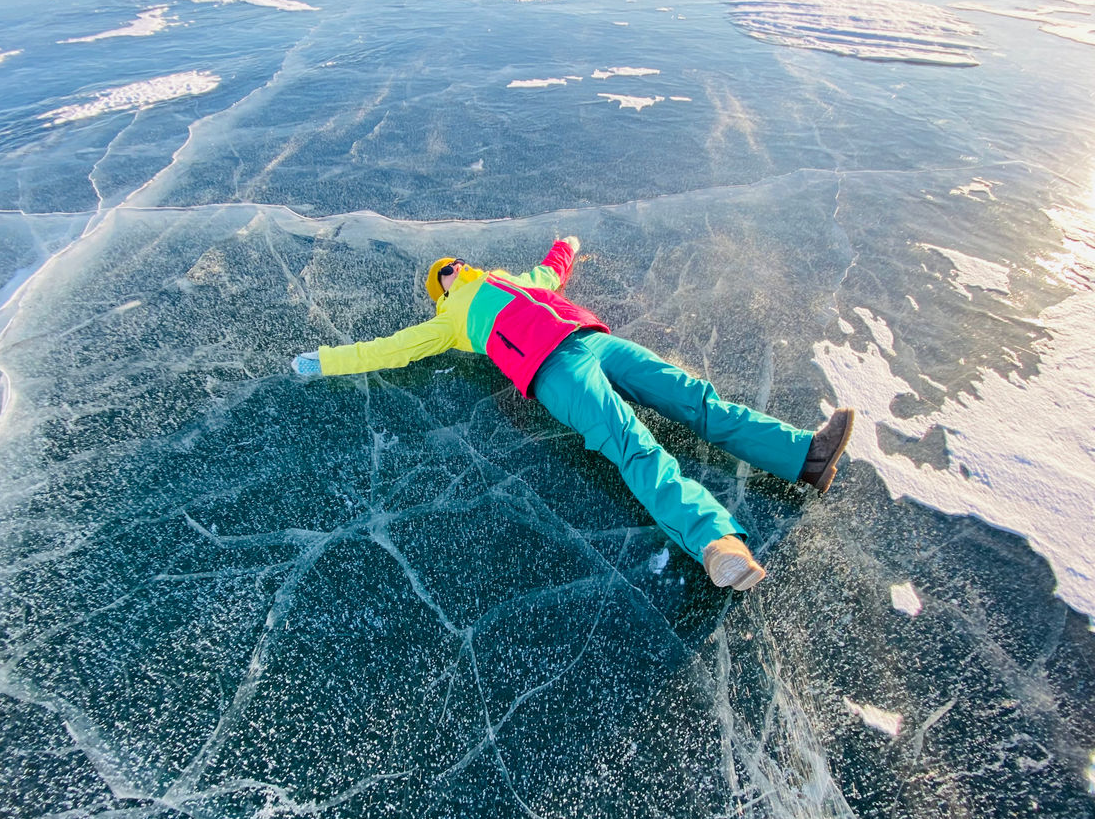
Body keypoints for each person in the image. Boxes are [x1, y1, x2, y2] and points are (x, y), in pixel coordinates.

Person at [292, 237, 854, 591]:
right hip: (553, 372)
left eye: (455, 261)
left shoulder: (512, 281)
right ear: (438, 289)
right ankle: (716, 544)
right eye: (444, 270)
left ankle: (804, 455)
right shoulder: (449, 320)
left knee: (691, 396)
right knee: (632, 444)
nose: (453, 265)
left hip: (593, 340)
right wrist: (324, 360)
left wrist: (566, 245)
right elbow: (387, 349)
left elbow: (551, 272)